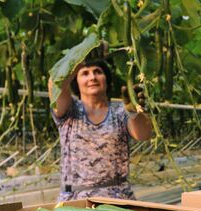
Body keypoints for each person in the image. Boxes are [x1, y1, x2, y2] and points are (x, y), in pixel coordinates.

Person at [48, 57, 152, 201]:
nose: (92, 77)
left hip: (117, 197)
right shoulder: (69, 111)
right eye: (85, 73)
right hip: (75, 199)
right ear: (75, 82)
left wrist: (135, 111)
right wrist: (78, 60)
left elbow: (143, 134)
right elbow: (55, 84)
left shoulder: (120, 111)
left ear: (106, 79)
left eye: (97, 72)